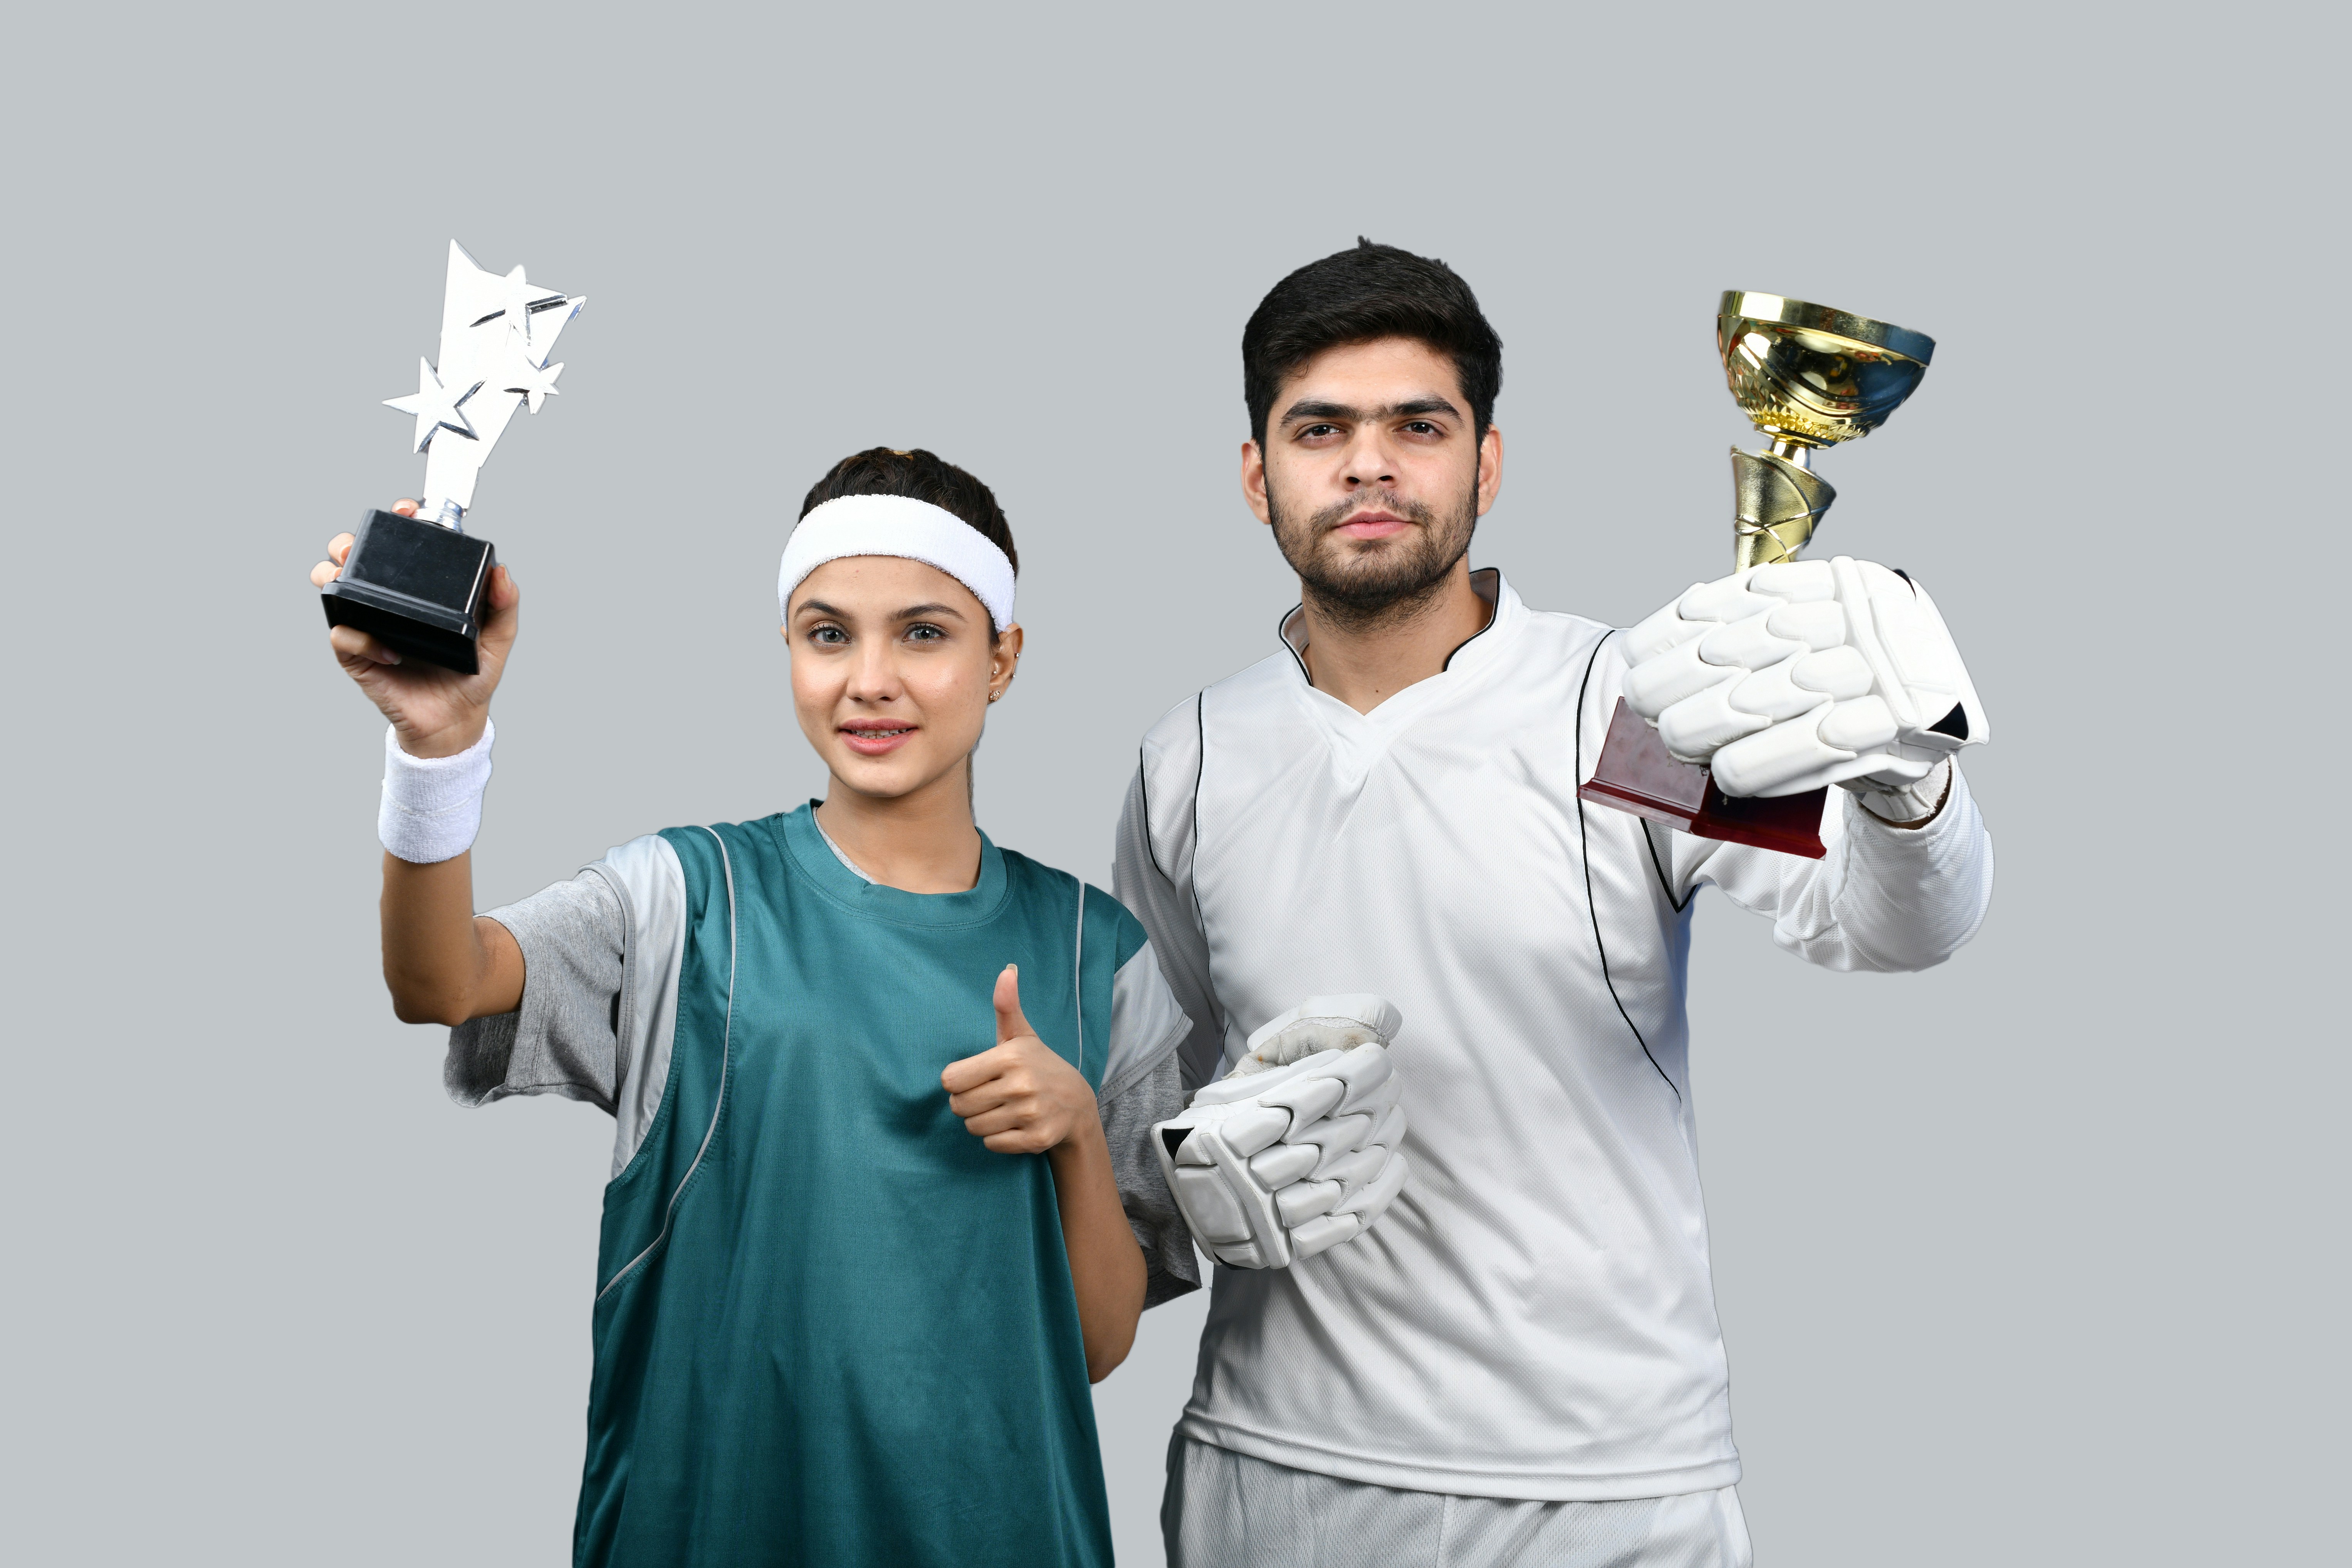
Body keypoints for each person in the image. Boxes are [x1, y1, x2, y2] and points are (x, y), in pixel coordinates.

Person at [1116, 242, 1996, 1566]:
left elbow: (1893, 928)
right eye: (1320, 429)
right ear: (1257, 476)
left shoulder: (1629, 706)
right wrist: (1188, 1188)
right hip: (1273, 1471)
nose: (1368, 466)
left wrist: (1898, 783)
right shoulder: (1191, 752)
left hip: (1602, 1489)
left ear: (1487, 464)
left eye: (1418, 426)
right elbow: (1150, 1126)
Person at [310, 448, 1210, 1568]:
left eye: (923, 633)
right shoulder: (683, 899)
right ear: (788, 649)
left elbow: (1094, 1345)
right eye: (828, 633)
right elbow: (438, 982)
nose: (868, 680)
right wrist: (435, 750)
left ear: (1003, 659)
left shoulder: (1098, 957)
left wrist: (1078, 1130)